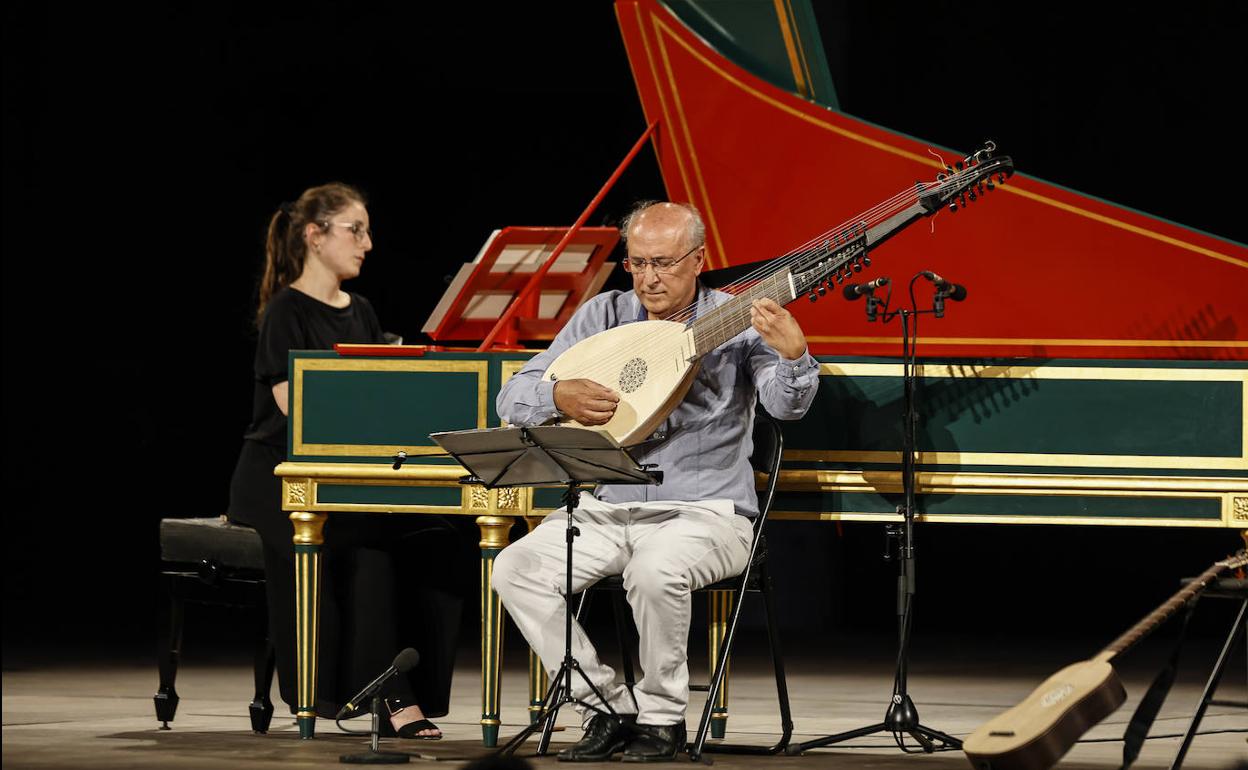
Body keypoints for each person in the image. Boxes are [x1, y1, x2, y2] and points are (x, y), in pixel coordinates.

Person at [491, 201, 819, 761]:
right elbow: (512, 397)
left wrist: (794, 355)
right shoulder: (604, 315)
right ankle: (603, 705)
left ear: (698, 260)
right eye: (638, 263)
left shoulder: (737, 320)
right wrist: (557, 394)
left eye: (664, 263)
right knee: (515, 568)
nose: (649, 278)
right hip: (607, 508)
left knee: (654, 569)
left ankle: (662, 718)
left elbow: (786, 407)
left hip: (708, 514)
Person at [227, 182, 462, 739]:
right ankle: (377, 696)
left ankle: (407, 688)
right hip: (277, 479)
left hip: (340, 476)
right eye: (355, 230)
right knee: (366, 544)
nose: (367, 243)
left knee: (435, 537)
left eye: (367, 231)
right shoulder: (286, 310)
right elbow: (297, 408)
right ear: (315, 235)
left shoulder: (362, 310)